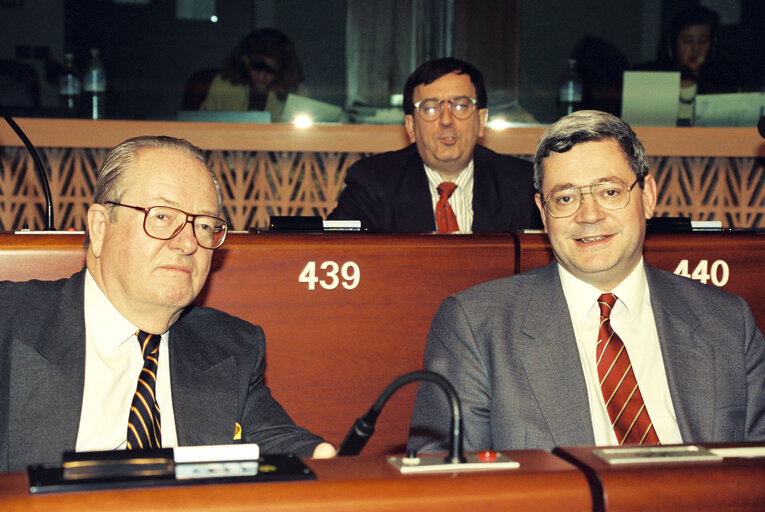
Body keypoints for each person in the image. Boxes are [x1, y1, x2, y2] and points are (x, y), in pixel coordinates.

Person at [408, 110, 765, 452]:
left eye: (609, 192)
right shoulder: (477, 325)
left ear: (649, 197)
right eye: (565, 198)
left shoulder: (728, 323)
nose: (589, 215)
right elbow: (444, 480)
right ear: (543, 214)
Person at [0, 136, 334, 473]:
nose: (188, 242)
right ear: (100, 228)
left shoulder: (229, 347)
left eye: (204, 225)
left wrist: (324, 462)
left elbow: (276, 443)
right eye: (162, 217)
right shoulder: (9, 321)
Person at [327, 57, 540, 233]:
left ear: (481, 121)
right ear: (410, 126)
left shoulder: (523, 185)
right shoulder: (373, 181)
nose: (446, 120)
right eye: (430, 108)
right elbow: (336, 251)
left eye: (460, 106)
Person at [634, 6, 740, 125]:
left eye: (703, 41)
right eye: (687, 41)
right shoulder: (650, 80)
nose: (696, 49)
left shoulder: (726, 82)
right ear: (673, 45)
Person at [200, 28, 306, 122]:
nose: (261, 75)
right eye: (256, 66)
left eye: (269, 70)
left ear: (282, 69)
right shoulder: (223, 85)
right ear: (244, 62)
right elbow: (203, 121)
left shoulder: (297, 94)